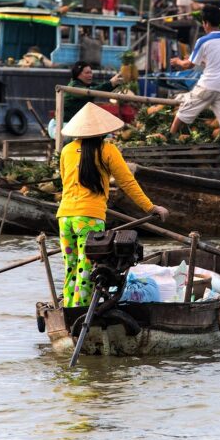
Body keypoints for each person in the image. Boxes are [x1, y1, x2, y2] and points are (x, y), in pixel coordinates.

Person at [57, 103, 169, 307]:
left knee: (71, 268)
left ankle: (67, 307)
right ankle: (80, 311)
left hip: (64, 217)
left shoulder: (67, 150)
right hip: (89, 218)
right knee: (87, 268)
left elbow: (65, 181)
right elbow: (127, 182)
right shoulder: (107, 150)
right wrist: (151, 208)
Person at [169, 5, 220, 168]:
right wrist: (195, 60)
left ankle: (167, 146)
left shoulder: (203, 40)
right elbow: (215, 60)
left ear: (205, 23)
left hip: (207, 86)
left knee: (181, 114)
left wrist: (178, 61)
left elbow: (189, 65)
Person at [57, 60, 124, 133]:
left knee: (107, 136)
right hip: (62, 125)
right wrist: (111, 83)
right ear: (78, 74)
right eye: (87, 73)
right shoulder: (74, 87)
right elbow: (92, 91)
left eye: (91, 72)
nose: (90, 75)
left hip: (78, 125)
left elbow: (100, 87)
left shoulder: (88, 85)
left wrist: (115, 83)